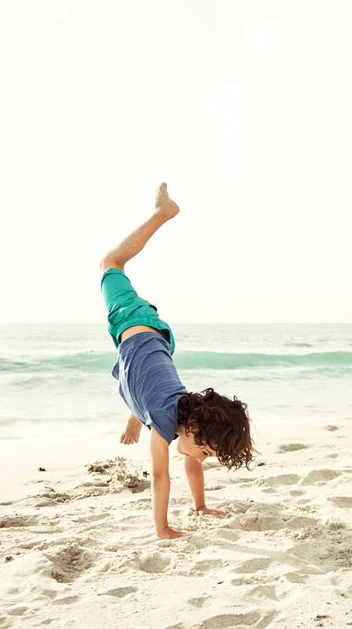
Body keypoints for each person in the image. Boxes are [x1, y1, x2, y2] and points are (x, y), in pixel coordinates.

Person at [99, 182, 254, 538]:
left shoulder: (187, 420)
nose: (201, 459)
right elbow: (159, 476)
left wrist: (200, 507)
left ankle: (135, 417)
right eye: (206, 451)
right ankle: (162, 214)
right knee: (111, 263)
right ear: (195, 429)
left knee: (143, 392)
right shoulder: (169, 425)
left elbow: (192, 466)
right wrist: (163, 528)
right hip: (134, 321)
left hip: (156, 345)